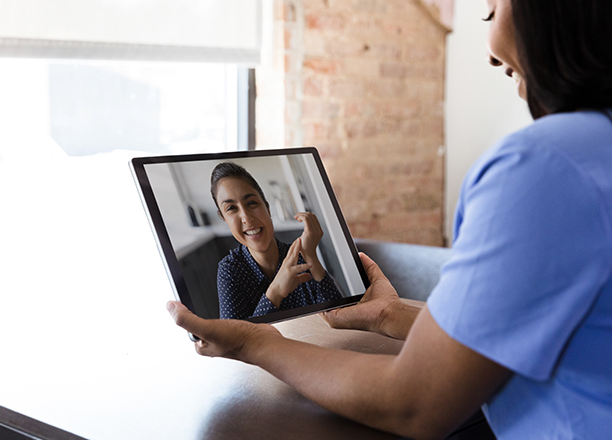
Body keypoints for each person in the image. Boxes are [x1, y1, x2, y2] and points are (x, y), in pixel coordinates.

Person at [166, 0, 612, 438]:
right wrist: (389, 315)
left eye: (491, 10)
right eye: (231, 209)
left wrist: (256, 344)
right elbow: (509, 333)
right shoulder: (595, 149)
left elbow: (415, 402)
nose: (491, 53)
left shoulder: (541, 167)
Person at [210, 162, 342, 319]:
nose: (246, 217)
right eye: (231, 208)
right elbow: (235, 340)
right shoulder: (229, 271)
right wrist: (276, 291)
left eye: (252, 203)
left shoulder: (299, 257)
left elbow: (338, 317)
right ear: (224, 218)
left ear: (267, 208)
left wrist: (311, 255)